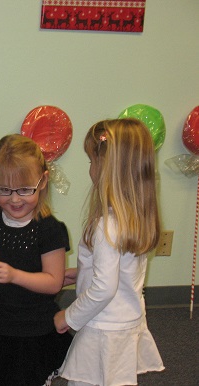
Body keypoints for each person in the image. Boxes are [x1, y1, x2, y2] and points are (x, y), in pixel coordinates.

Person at [53, 118, 165, 386]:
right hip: (126, 321)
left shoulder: (107, 225)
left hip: (102, 326)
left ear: (108, 168)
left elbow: (104, 288)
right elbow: (120, 269)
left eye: (92, 161)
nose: (90, 168)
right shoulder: (133, 218)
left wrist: (68, 315)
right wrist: (81, 272)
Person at [0, 134, 73, 386]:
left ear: (43, 181)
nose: (14, 199)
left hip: (33, 328)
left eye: (25, 190)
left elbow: (53, 282)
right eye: (3, 190)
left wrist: (15, 275)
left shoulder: (49, 230)